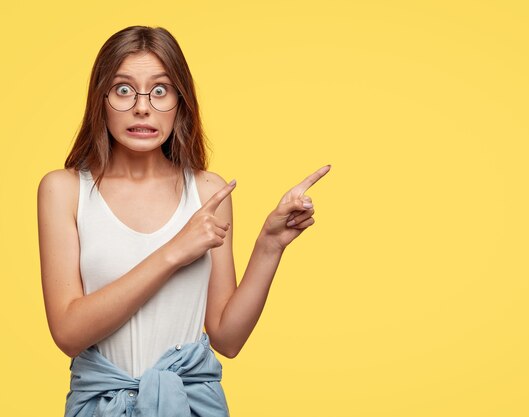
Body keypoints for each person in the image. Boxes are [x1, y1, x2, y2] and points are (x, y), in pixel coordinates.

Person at [37, 25, 331, 417]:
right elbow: (69, 334)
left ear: (180, 101)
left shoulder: (209, 191)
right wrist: (175, 250)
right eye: (124, 90)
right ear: (100, 99)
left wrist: (269, 245)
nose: (143, 107)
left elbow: (227, 338)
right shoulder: (64, 189)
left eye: (160, 91)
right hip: (100, 406)